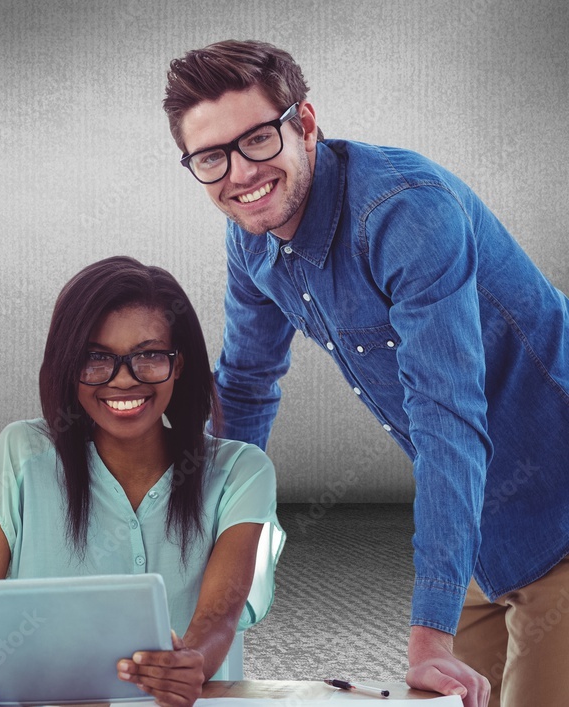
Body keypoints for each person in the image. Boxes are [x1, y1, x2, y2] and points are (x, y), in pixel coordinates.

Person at [162, 39, 569, 707]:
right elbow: (245, 386)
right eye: (212, 156)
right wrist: (205, 554)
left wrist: (429, 635)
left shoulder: (406, 215)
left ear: (307, 124)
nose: (240, 173)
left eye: (259, 138)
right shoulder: (252, 237)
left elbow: (448, 419)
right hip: (478, 529)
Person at [0, 256, 285, 707]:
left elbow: (218, 618)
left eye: (150, 356)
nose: (123, 380)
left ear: (178, 365)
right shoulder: (22, 453)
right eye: (96, 359)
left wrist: (192, 661)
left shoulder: (241, 471)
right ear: (67, 365)